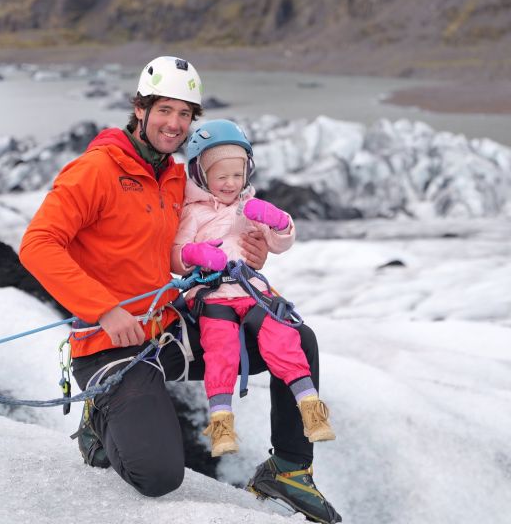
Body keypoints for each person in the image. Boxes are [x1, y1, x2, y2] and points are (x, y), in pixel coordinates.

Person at [18, 56, 342, 524]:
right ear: (140, 109)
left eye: (185, 113)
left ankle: (289, 468)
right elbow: (37, 245)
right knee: (158, 476)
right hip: (110, 342)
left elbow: (205, 234)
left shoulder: (174, 175)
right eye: (165, 110)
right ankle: (99, 416)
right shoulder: (94, 171)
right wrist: (105, 310)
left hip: (168, 332)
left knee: (294, 334)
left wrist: (250, 251)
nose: (174, 123)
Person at [170, 119, 336, 460]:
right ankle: (221, 422)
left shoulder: (250, 206)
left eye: (238, 174)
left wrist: (278, 221)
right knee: (221, 351)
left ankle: (309, 405)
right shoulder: (194, 213)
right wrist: (194, 254)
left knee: (282, 337)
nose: (231, 184)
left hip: (251, 290)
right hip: (213, 295)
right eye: (221, 176)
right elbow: (177, 254)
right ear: (201, 175)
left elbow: (279, 243)